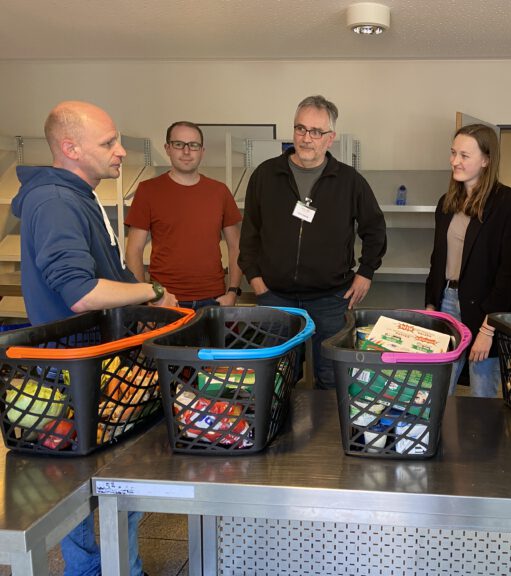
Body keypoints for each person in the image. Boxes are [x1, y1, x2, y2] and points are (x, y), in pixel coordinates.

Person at [11, 101, 174, 576]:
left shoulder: (80, 196)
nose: (121, 151)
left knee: (117, 484)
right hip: (71, 373)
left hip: (101, 365)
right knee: (78, 489)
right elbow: (80, 292)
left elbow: (109, 273)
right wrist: (153, 290)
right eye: (109, 143)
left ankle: (124, 567)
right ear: (70, 147)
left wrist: (148, 307)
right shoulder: (56, 202)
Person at [239, 95, 387, 390]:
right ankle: (282, 434)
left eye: (316, 132)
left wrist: (366, 273)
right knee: (279, 378)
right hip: (275, 296)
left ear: (330, 138)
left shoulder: (349, 181)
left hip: (331, 298)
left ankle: (330, 436)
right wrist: (255, 280)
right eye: (300, 129)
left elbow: (375, 230)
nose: (307, 138)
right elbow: (250, 233)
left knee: (333, 378)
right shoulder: (266, 175)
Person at [425, 124, 511, 397]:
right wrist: (431, 304)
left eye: (464, 155)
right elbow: (437, 259)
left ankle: (483, 441)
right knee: (437, 389)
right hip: (448, 301)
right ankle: (438, 439)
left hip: (486, 310)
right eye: (453, 153)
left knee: (483, 391)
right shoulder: (446, 203)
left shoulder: (508, 203)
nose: (454, 161)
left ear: (486, 160)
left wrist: (488, 328)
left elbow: (510, 274)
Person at [125, 121, 243, 310]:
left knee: (213, 342)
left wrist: (232, 292)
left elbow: (236, 246)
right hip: (164, 301)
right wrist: (145, 301)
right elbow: (134, 250)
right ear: (168, 148)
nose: (187, 152)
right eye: (179, 144)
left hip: (214, 301)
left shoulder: (220, 192)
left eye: (193, 145)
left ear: (202, 151)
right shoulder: (148, 191)